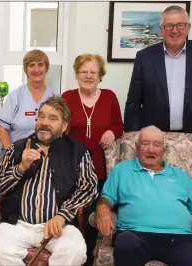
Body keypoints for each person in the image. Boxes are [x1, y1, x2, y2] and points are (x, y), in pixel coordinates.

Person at [0, 96, 98, 266]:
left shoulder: (77, 152)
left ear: (64, 125)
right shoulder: (17, 148)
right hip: (17, 224)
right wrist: (21, 168)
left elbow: (89, 188)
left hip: (58, 225)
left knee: (75, 251)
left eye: (52, 118)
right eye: (42, 116)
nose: (44, 122)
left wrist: (63, 215)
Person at [96, 125, 192, 266]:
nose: (151, 149)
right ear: (137, 146)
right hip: (134, 234)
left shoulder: (181, 176)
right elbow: (107, 197)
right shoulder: (122, 169)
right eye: (145, 144)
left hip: (180, 239)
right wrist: (102, 207)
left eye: (157, 144)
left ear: (164, 150)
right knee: (126, 244)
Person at [124, 5, 192, 143]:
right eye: (169, 26)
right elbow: (133, 102)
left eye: (180, 25)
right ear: (161, 30)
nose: (175, 30)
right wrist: (132, 134)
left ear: (188, 27)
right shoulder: (145, 57)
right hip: (153, 139)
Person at [61, 53, 123, 265]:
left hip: (99, 170)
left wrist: (112, 132)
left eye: (93, 72)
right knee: (69, 219)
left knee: (90, 221)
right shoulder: (67, 97)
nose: (88, 76)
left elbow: (119, 124)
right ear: (77, 74)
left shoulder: (109, 97)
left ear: (100, 75)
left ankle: (87, 261)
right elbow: (58, 128)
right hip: (71, 169)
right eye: (83, 72)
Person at [0, 49, 59, 160]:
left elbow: (60, 129)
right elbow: (2, 128)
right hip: (18, 156)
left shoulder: (55, 96)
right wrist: (13, 155)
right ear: (25, 70)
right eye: (31, 65)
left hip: (48, 158)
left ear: (46, 68)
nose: (36, 69)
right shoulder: (15, 96)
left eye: (40, 65)